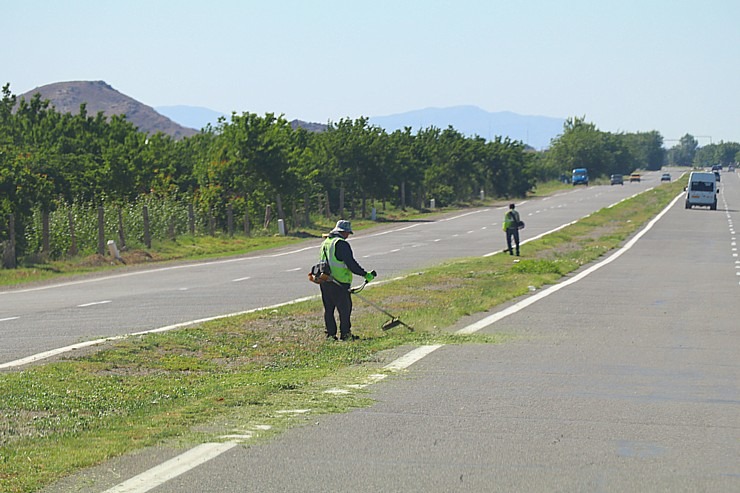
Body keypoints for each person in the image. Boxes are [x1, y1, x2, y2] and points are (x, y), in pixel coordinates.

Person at [318, 220, 375, 341]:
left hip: (325, 280)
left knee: (329, 309)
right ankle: (345, 334)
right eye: (348, 233)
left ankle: (330, 335)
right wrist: (365, 274)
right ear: (344, 232)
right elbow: (351, 264)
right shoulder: (341, 244)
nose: (348, 236)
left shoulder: (326, 243)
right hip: (339, 282)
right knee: (344, 309)